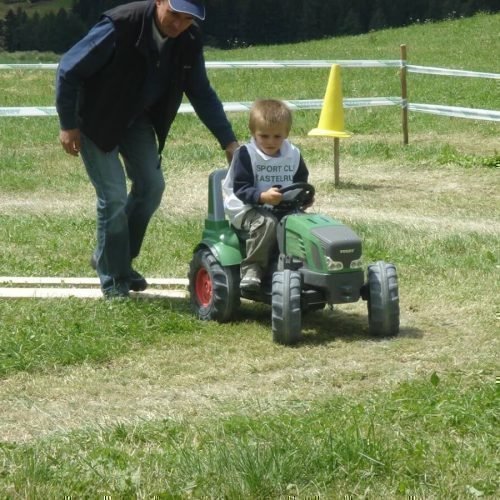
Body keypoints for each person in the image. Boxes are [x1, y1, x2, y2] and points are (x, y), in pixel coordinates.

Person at [55, 0, 239, 298]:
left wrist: (229, 141)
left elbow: (202, 92)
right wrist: (67, 124)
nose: (178, 25)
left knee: (152, 186)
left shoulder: (188, 40)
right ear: (159, 1)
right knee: (112, 196)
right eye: (174, 15)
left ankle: (114, 258)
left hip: (136, 118)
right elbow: (68, 68)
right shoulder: (119, 25)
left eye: (187, 20)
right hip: (95, 118)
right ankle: (114, 279)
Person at [222, 99, 312, 290]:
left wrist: (304, 197)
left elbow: (301, 180)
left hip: (283, 206)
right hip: (246, 206)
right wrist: (262, 196)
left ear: (286, 134)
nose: (271, 142)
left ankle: (303, 267)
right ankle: (252, 268)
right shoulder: (246, 154)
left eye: (277, 136)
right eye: (264, 136)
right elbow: (241, 188)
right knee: (267, 223)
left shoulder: (293, 154)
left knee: (304, 225)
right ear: (254, 133)